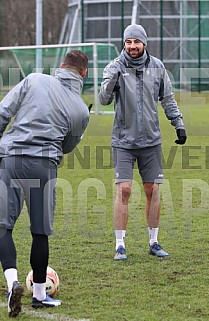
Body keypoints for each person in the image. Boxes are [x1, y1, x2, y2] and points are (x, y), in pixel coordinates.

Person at [0, 50, 91, 317]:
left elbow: (4, 111)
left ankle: (12, 283)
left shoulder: (34, 79)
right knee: (40, 232)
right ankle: (39, 295)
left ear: (60, 67)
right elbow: (67, 146)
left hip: (13, 160)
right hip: (44, 166)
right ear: (83, 73)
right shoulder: (79, 108)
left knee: (3, 226)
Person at [99, 24, 187, 260]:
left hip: (151, 140)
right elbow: (103, 99)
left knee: (152, 190)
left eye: (136, 42)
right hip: (123, 140)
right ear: (124, 44)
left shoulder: (157, 67)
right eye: (128, 42)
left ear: (144, 44)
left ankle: (154, 242)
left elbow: (168, 99)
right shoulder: (114, 66)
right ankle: (120, 245)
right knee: (124, 189)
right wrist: (112, 80)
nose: (132, 46)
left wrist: (178, 124)